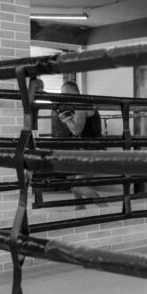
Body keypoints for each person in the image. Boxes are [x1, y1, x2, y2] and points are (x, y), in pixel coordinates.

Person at [52, 80, 106, 208]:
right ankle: (80, 208)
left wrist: (65, 119)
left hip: (93, 150)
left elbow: (76, 130)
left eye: (63, 93)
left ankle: (106, 210)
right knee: (74, 183)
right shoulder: (78, 104)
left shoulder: (81, 104)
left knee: (79, 185)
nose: (61, 96)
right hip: (87, 149)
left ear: (70, 92)